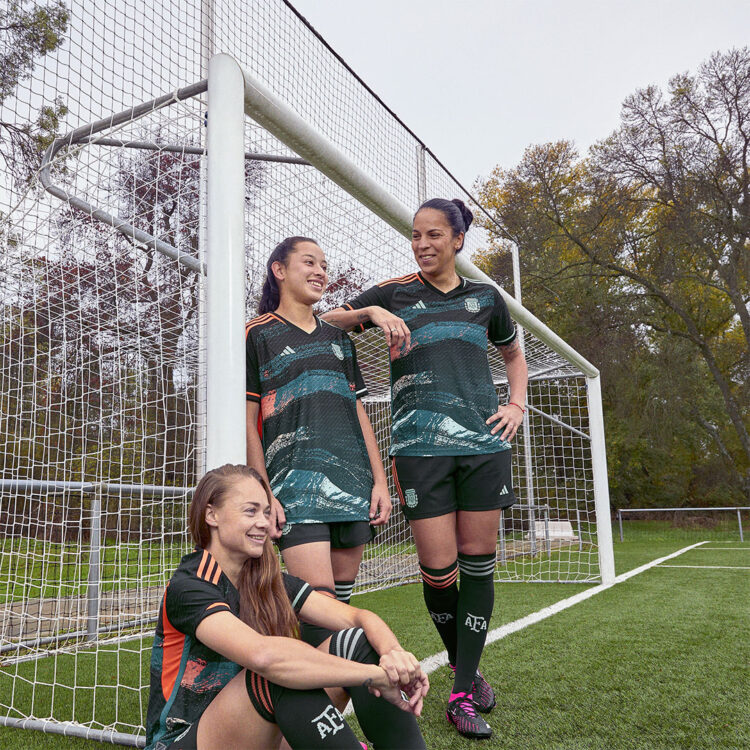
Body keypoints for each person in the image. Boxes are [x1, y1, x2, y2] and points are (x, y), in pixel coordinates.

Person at [321, 198, 528, 740]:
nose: (423, 244)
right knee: (438, 572)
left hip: (484, 444)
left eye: (433, 234)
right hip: (418, 450)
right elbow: (325, 320)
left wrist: (517, 404)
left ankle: (461, 693)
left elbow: (513, 355)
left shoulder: (486, 297)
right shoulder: (395, 292)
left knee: (478, 563)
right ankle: (468, 668)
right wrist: (371, 313)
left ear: (458, 240)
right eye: (416, 235)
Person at [145, 463, 428, 750]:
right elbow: (264, 657)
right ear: (211, 514)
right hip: (183, 741)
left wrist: (395, 656)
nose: (264, 522)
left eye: (266, 512)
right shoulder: (189, 586)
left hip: (255, 733)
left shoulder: (266, 581)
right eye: (250, 511)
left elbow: (359, 617)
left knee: (355, 641)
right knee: (276, 676)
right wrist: (375, 675)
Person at [245, 237, 391, 644]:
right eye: (309, 262)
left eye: (324, 265)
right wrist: (263, 493)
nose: (320, 271)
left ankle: (329, 701)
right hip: (295, 489)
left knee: (341, 606)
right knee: (316, 609)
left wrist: (379, 483)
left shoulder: (338, 338)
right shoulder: (256, 335)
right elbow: (248, 421)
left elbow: (359, 412)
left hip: (352, 484)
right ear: (279, 270)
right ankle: (307, 703)